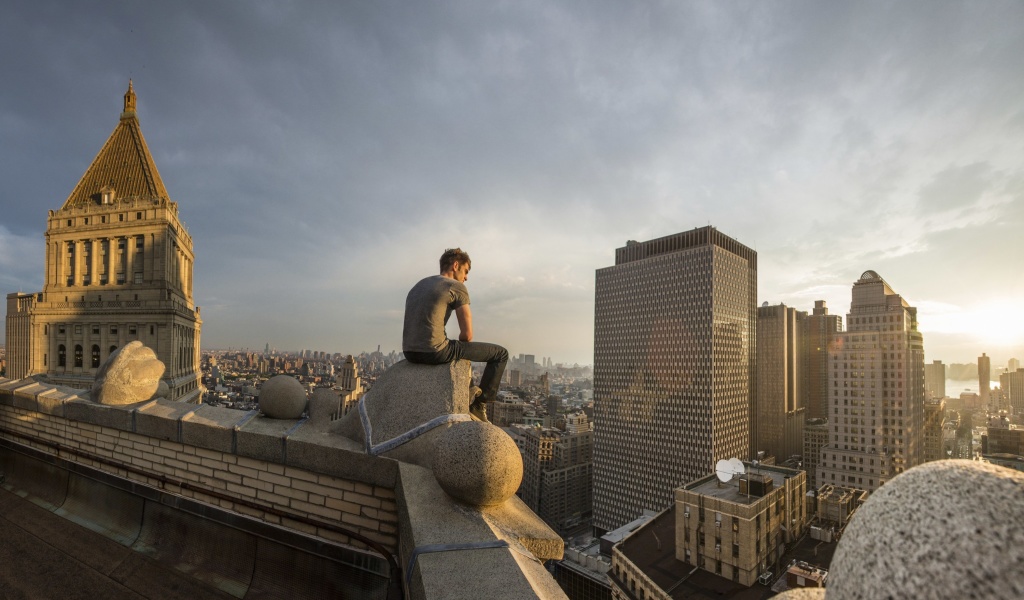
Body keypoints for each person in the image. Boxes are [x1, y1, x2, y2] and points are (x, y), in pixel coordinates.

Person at [403, 248, 508, 421]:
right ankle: (478, 404)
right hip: (434, 351)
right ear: (456, 265)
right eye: (466, 271)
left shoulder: (418, 285)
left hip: (409, 352)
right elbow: (467, 335)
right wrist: (461, 356)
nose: (466, 277)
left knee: (456, 348)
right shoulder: (456, 286)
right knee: (501, 354)